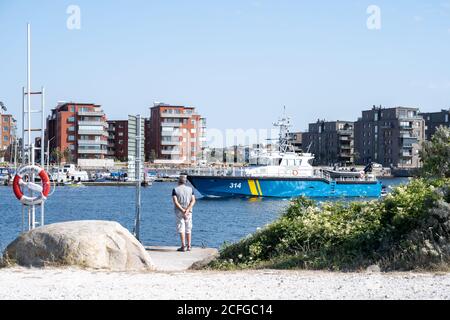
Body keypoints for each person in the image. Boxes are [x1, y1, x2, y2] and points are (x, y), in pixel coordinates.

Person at [172, 175, 196, 252]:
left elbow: (175, 202)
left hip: (179, 211)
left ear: (179, 181)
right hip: (189, 212)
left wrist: (182, 210)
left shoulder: (175, 190)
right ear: (186, 182)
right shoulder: (190, 189)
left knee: (181, 228)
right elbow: (193, 200)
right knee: (188, 228)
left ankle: (183, 246)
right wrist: (187, 210)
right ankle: (189, 246)